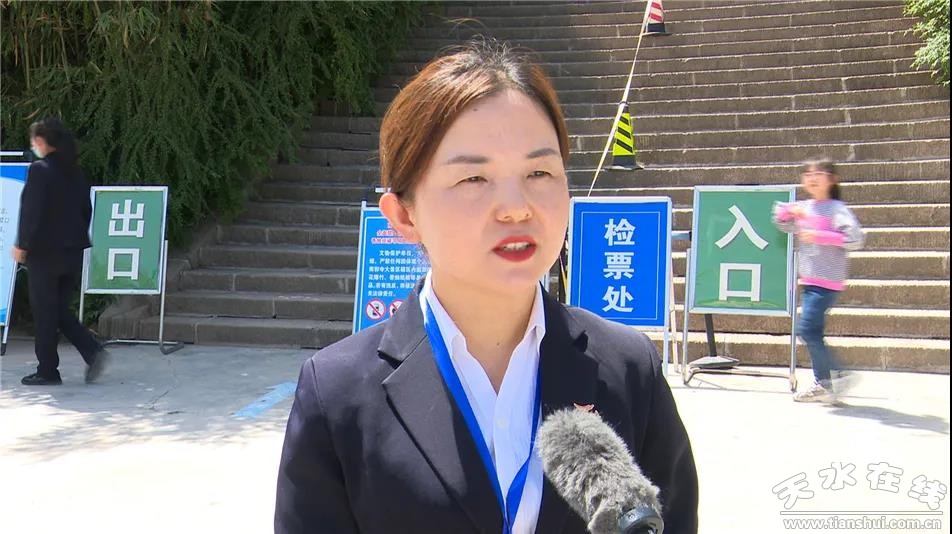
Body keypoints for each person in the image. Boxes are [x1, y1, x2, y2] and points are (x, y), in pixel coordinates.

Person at [275, 41, 698, 534]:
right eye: (474, 178)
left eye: (539, 172)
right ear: (404, 216)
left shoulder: (629, 369)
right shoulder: (336, 392)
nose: (516, 208)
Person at [12, 117, 109, 386]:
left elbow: (32, 212)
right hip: (73, 251)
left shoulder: (39, 170)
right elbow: (86, 210)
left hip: (45, 253)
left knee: (46, 313)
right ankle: (92, 351)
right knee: (56, 309)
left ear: (41, 141)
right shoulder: (75, 172)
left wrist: (22, 244)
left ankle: (48, 370)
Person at [773, 158, 865, 403]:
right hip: (809, 280)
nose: (812, 178)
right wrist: (786, 212)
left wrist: (820, 235)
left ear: (832, 179)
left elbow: (856, 238)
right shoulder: (805, 207)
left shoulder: (836, 209)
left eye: (819, 173)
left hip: (827, 282)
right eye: (807, 173)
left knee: (806, 330)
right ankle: (823, 382)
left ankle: (838, 374)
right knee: (812, 331)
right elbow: (782, 224)